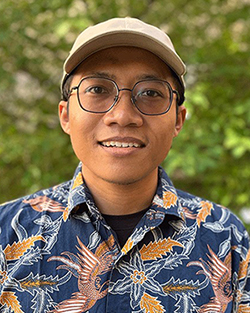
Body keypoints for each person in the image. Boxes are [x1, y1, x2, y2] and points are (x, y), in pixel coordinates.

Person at [0, 17, 249, 313]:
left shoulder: (226, 237)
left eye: (151, 93)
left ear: (178, 120)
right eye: (97, 90)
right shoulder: (8, 233)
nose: (122, 115)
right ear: (65, 115)